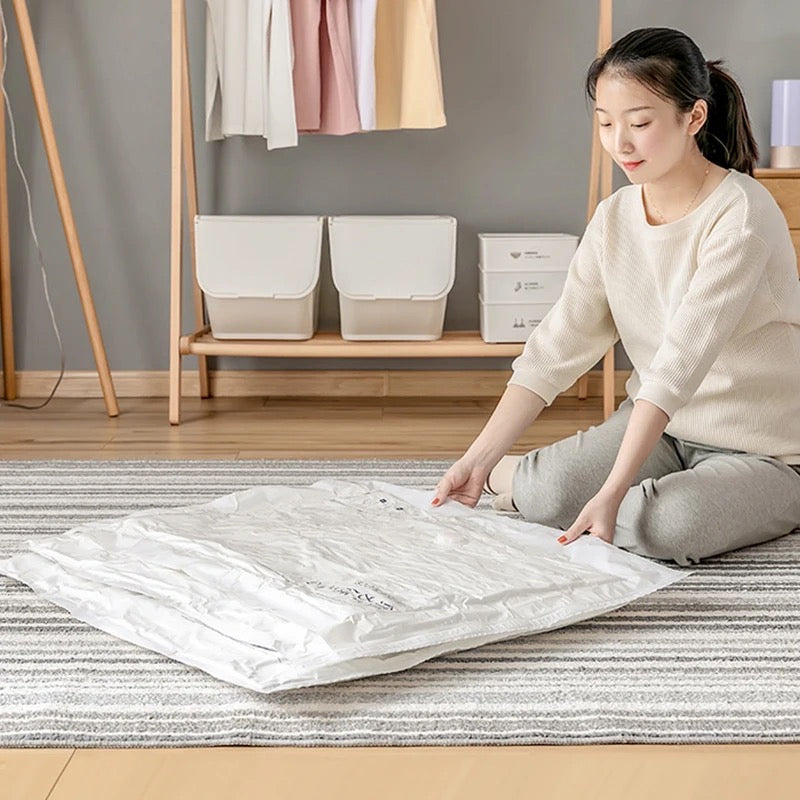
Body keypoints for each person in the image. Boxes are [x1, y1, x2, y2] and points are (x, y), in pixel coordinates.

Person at [432, 27, 800, 567]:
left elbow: (679, 364)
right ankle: (548, 481)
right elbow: (557, 347)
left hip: (764, 448)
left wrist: (608, 492)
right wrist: (479, 458)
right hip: (663, 429)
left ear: (693, 117)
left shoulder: (741, 214)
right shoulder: (614, 219)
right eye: (605, 122)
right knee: (547, 494)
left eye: (640, 123)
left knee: (663, 525)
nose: (619, 143)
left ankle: (761, 498)